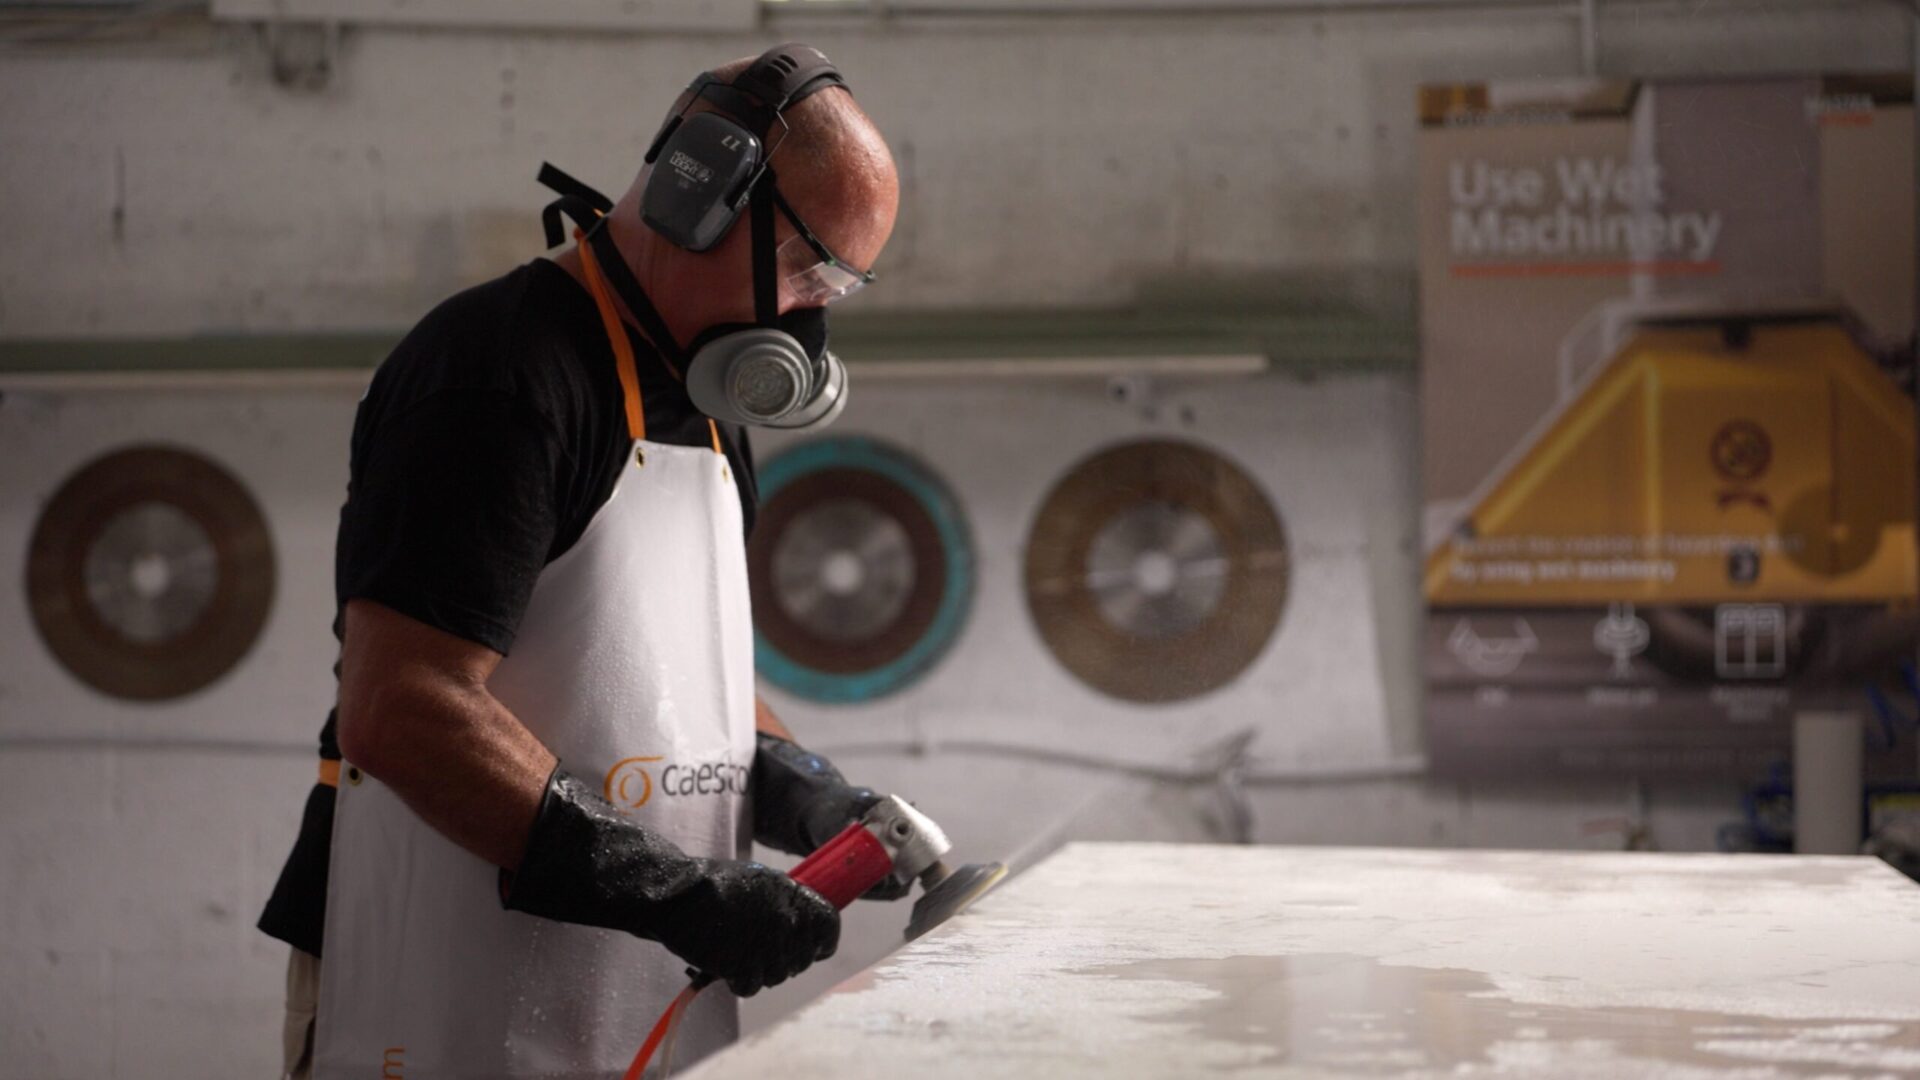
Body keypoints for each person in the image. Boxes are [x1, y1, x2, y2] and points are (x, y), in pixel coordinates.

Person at [256, 43, 906, 1079]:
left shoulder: (703, 408)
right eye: (804, 268)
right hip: (431, 968)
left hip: (623, 980)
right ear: (703, 193)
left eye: (837, 287)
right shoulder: (497, 377)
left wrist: (808, 795)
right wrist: (683, 894)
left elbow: (685, 686)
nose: (809, 322)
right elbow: (406, 708)